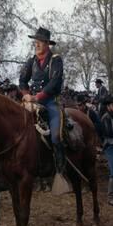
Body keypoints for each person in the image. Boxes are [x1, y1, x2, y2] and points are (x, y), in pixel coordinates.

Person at [19, 27, 70, 195]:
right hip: (32, 102)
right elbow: (22, 81)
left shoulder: (56, 60)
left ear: (47, 43)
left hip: (50, 103)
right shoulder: (30, 61)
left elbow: (54, 83)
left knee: (56, 136)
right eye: (35, 41)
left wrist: (36, 97)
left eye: (39, 41)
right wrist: (26, 95)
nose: (36, 44)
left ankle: (60, 172)